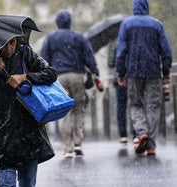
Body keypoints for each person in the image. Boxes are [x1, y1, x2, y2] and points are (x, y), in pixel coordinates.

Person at [0, 36, 57, 186]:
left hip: (28, 131)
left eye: (13, 42)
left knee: (27, 183)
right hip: (1, 134)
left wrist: (26, 77)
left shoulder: (25, 53)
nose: (9, 48)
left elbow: (51, 73)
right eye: (5, 44)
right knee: (6, 183)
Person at [40, 10, 104, 158]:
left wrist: (43, 76)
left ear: (57, 23)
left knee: (64, 112)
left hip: (59, 77)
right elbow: (89, 57)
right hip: (77, 75)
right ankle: (78, 144)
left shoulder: (50, 38)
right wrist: (95, 74)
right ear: (70, 22)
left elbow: (44, 59)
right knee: (79, 109)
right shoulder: (79, 37)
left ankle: (67, 147)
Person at [116, 0, 172, 156]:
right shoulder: (156, 24)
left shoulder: (126, 24)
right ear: (146, 7)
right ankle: (151, 146)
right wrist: (166, 72)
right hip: (153, 71)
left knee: (135, 104)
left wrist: (121, 72)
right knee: (153, 106)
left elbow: (121, 52)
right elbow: (166, 50)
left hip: (133, 72)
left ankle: (142, 132)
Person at [107, 39, 128, 144]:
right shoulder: (133, 38)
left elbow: (110, 63)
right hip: (134, 76)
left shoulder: (115, 41)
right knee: (136, 104)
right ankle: (138, 133)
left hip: (119, 77)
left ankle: (123, 135)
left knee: (121, 106)